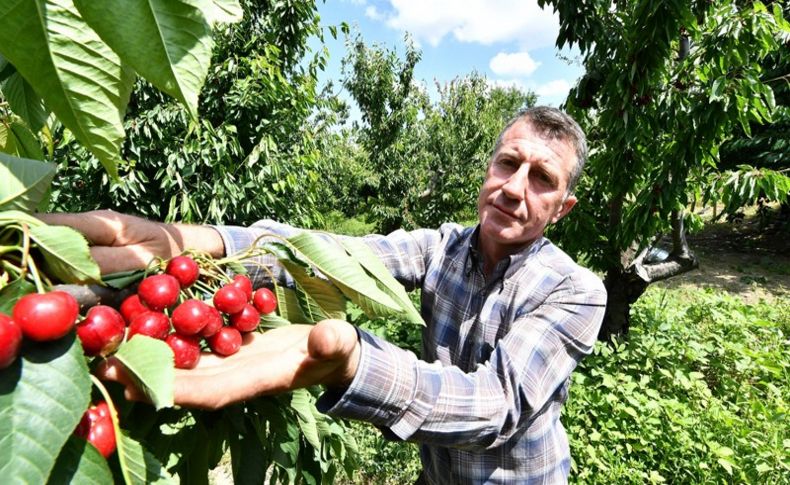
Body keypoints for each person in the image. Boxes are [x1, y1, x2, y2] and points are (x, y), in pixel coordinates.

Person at [40, 106, 606, 484]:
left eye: (541, 179)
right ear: (487, 170)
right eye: (508, 163)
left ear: (562, 208)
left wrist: (357, 364)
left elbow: (495, 407)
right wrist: (208, 242)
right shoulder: (444, 247)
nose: (514, 188)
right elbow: (337, 252)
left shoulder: (575, 291)